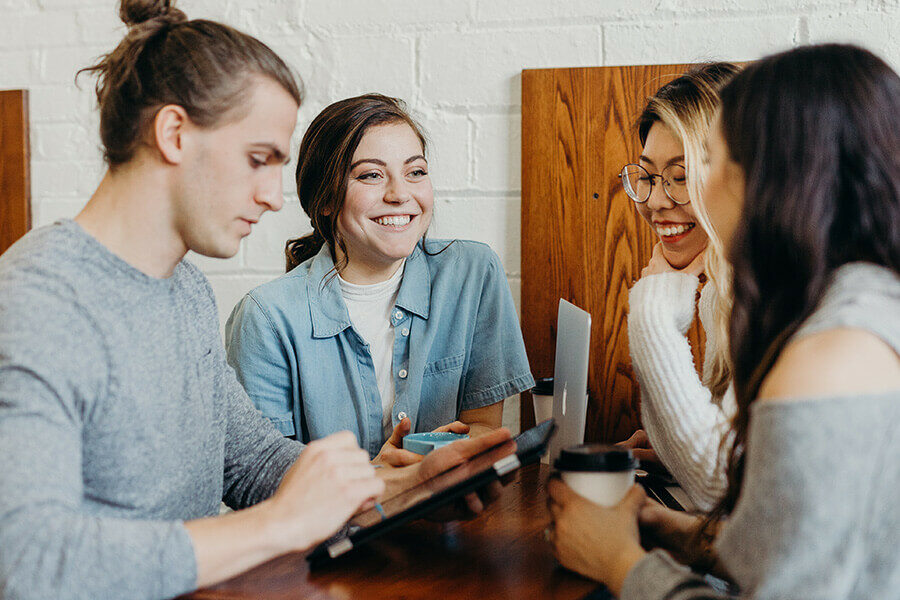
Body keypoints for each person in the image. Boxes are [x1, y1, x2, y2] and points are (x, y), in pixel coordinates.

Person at [0, 3, 511, 599]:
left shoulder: (182, 289)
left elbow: (252, 463)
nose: (273, 197)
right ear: (173, 134)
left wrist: (398, 489)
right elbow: (27, 561)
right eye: (257, 159)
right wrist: (276, 525)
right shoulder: (37, 302)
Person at [549, 43, 900, 598]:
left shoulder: (830, 356)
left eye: (710, 161)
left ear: (774, 178)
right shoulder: (856, 306)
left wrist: (620, 562)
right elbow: (794, 548)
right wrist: (676, 533)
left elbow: (734, 499)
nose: (678, 196)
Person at [225, 94, 534, 465]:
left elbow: (483, 427)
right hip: (333, 523)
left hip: (446, 515)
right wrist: (382, 477)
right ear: (324, 199)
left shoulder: (473, 273)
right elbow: (265, 477)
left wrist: (430, 462)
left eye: (415, 172)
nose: (400, 194)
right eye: (371, 175)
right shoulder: (266, 317)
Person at [619, 63, 740, 510]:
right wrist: (672, 449)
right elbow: (734, 467)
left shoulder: (776, 295)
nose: (654, 201)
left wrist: (652, 311)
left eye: (681, 176)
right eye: (648, 175)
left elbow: (720, 488)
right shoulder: (722, 291)